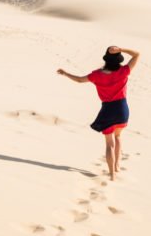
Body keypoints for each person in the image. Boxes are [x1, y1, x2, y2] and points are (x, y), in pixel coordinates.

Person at [57, 45, 140, 180]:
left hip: (107, 110)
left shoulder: (97, 75)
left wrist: (65, 73)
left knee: (109, 144)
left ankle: (112, 174)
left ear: (106, 60)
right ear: (119, 60)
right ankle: (117, 165)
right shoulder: (124, 71)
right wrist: (121, 49)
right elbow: (137, 54)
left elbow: (79, 80)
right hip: (122, 108)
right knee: (118, 137)